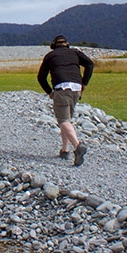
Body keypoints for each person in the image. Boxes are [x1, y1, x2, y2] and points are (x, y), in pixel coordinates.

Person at [37, 35, 94, 166]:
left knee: (63, 120)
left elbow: (41, 77)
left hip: (61, 88)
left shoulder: (50, 56)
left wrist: (49, 92)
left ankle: (78, 146)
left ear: (53, 46)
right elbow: (90, 64)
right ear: (67, 44)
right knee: (67, 120)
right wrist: (84, 83)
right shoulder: (75, 52)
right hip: (76, 89)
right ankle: (65, 150)